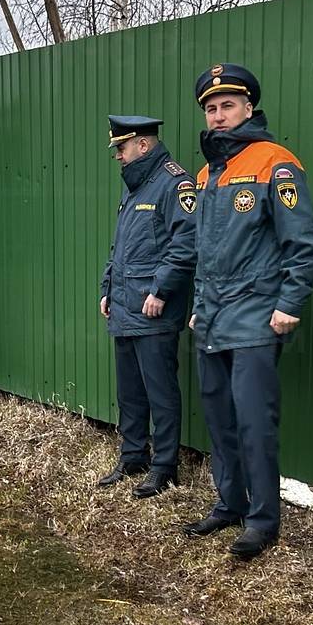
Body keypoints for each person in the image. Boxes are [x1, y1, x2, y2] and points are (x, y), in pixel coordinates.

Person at [185, 64, 313, 560]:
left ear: (248, 109)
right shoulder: (207, 173)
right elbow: (205, 251)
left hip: (257, 316)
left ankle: (263, 520)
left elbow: (303, 242)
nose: (218, 116)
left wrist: (289, 304)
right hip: (214, 319)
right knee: (219, 418)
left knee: (254, 422)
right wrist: (199, 309)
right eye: (210, 108)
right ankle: (230, 503)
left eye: (227, 106)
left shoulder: (275, 163)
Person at [97, 115, 197, 497]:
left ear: (142, 144)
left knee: (160, 391)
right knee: (130, 391)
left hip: (154, 308)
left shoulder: (175, 184)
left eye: (121, 148)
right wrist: (108, 287)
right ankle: (133, 456)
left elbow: (185, 245)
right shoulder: (135, 186)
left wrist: (161, 291)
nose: (117, 156)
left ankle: (164, 467)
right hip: (125, 305)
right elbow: (121, 246)